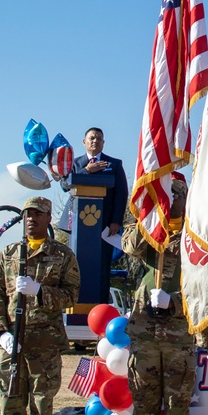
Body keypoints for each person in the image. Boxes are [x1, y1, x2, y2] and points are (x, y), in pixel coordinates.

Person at [121, 174, 208, 415]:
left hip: (178, 333)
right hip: (145, 332)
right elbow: (129, 247)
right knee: (145, 409)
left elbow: (205, 288)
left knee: (176, 410)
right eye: (164, 194)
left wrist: (174, 302)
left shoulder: (196, 235)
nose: (170, 199)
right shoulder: (147, 228)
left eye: (175, 194)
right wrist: (151, 224)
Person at [0, 195, 81, 415]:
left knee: (41, 408)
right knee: (10, 408)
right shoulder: (9, 254)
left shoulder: (62, 255)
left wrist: (42, 292)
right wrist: (0, 332)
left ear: (47, 218)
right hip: (12, 346)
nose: (31, 218)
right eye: (27, 214)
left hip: (44, 344)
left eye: (37, 214)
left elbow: (71, 296)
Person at [73, 127, 129, 297]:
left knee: (102, 265)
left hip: (104, 225)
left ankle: (101, 304)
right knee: (77, 265)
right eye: (91, 138)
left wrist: (116, 221)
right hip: (78, 226)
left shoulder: (114, 164)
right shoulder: (75, 164)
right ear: (84, 142)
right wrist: (87, 171)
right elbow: (64, 185)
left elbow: (122, 193)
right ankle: (77, 303)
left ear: (103, 143)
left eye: (99, 139)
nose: (95, 141)